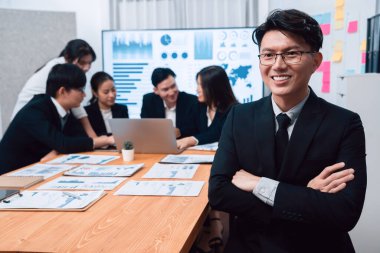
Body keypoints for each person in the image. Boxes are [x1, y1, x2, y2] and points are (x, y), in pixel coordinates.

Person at [208, 9, 366, 253]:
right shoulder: (239, 117)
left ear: (316, 61)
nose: (278, 65)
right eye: (268, 55)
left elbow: (345, 212)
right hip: (251, 246)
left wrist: (260, 185)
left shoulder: (344, 124)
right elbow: (219, 193)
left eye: (292, 53)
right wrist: (304, 196)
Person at [0, 64, 114, 174]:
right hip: (9, 176)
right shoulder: (35, 110)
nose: (84, 95)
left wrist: (58, 149)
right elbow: (63, 143)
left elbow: (76, 139)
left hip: (36, 170)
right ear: (63, 91)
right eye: (80, 90)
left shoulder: (67, 110)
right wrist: (106, 140)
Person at [11, 39, 98, 138]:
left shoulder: (63, 67)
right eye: (82, 63)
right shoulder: (59, 69)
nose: (86, 68)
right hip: (27, 122)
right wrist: (94, 138)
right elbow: (76, 106)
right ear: (68, 58)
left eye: (89, 63)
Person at [177, 65, 238, 149]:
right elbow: (190, 129)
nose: (197, 90)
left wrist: (192, 140)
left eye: (201, 85)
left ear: (214, 87)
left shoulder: (234, 110)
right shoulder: (198, 106)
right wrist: (178, 132)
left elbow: (217, 133)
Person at [140, 67, 199, 138]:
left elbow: (198, 129)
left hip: (185, 145)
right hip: (158, 144)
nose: (171, 93)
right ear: (156, 90)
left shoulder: (192, 101)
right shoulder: (149, 100)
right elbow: (145, 128)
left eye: (173, 86)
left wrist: (180, 132)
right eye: (165, 89)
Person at [85, 71, 129, 136]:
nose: (112, 95)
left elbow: (126, 135)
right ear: (95, 93)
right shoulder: (87, 112)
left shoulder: (122, 109)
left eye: (113, 90)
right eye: (106, 92)